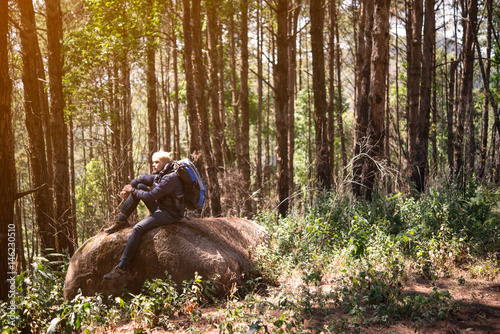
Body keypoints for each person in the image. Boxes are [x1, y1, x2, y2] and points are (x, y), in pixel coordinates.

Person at [103, 150, 184, 280]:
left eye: (157, 162)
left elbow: (150, 196)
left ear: (165, 163)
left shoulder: (170, 178)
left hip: (170, 214)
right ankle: (122, 220)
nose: (153, 165)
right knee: (140, 185)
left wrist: (132, 191)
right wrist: (127, 189)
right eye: (153, 162)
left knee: (138, 228)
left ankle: (122, 267)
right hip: (162, 207)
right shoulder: (161, 174)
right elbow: (141, 180)